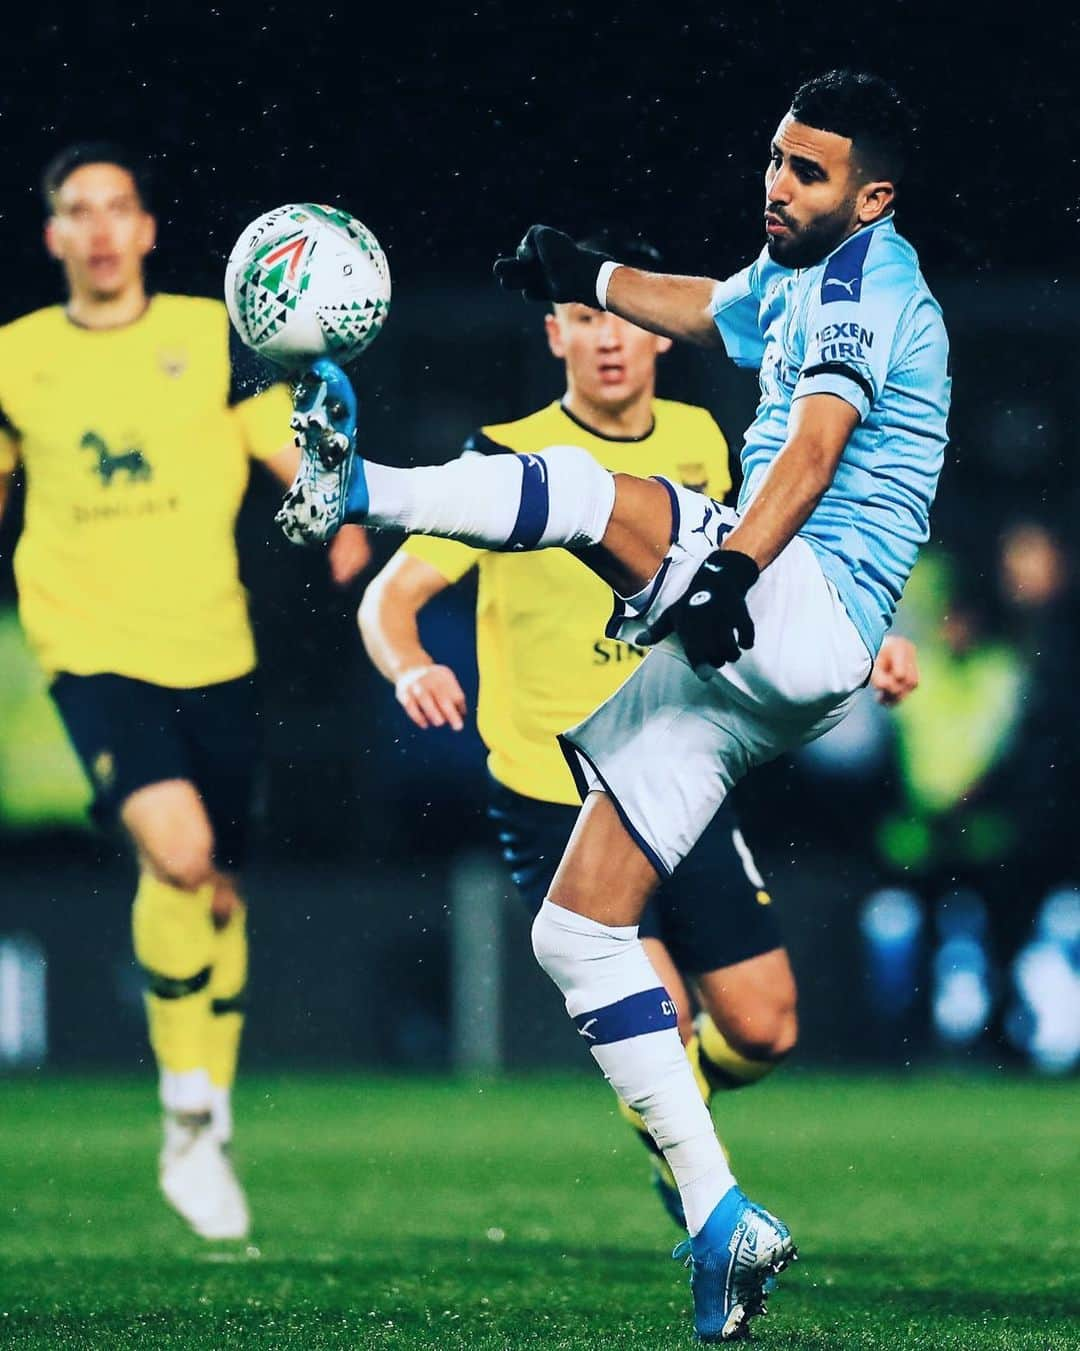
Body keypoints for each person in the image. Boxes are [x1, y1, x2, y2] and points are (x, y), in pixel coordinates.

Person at [279, 69, 949, 1341]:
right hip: (749, 672)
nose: (777, 182)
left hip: (798, 606)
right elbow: (709, 308)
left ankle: (349, 486)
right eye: (774, 157)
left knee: (591, 490)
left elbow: (810, 446)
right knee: (576, 937)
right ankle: (718, 1221)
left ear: (873, 196)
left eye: (808, 172)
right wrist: (591, 274)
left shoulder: (873, 287)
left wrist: (736, 571)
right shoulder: (797, 277)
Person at [357, 229, 920, 1230]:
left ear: (662, 337)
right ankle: (698, 1176)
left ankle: (675, 1113)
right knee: (654, 1008)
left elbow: (771, 572)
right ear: (554, 333)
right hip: (554, 786)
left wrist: (862, 646)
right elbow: (387, 601)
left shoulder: (705, 441)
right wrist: (412, 662)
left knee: (762, 1028)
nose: (609, 339)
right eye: (585, 317)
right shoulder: (506, 459)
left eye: (624, 319)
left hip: (681, 758)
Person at [0, 143, 369, 1241]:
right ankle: (185, 1110)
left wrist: (335, 506)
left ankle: (208, 1111)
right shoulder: (15, 358)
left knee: (216, 892)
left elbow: (285, 450)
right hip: (90, 650)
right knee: (179, 850)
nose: (103, 228)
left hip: (213, 650)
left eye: (120, 208)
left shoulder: (215, 332)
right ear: (55, 234)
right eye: (80, 210)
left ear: (148, 230)